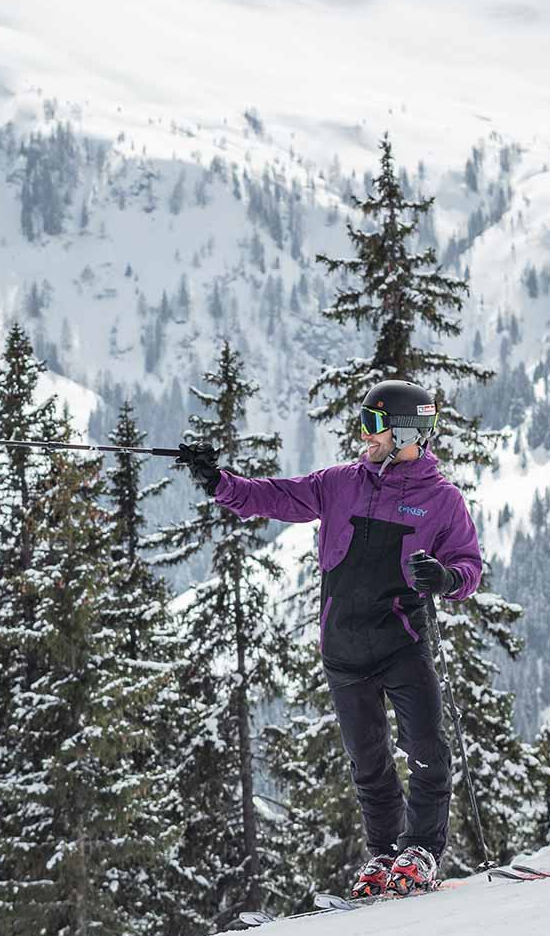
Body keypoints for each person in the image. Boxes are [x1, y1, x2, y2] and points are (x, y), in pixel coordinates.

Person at [176, 380, 483, 896]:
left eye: (375, 426)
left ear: (408, 431)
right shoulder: (342, 483)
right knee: (368, 762)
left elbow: (468, 567)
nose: (365, 436)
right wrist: (217, 481)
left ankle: (421, 852)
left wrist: (446, 579)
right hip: (342, 651)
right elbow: (271, 496)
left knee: (427, 748)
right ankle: (385, 854)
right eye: (363, 424)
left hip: (402, 644)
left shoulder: (443, 501)